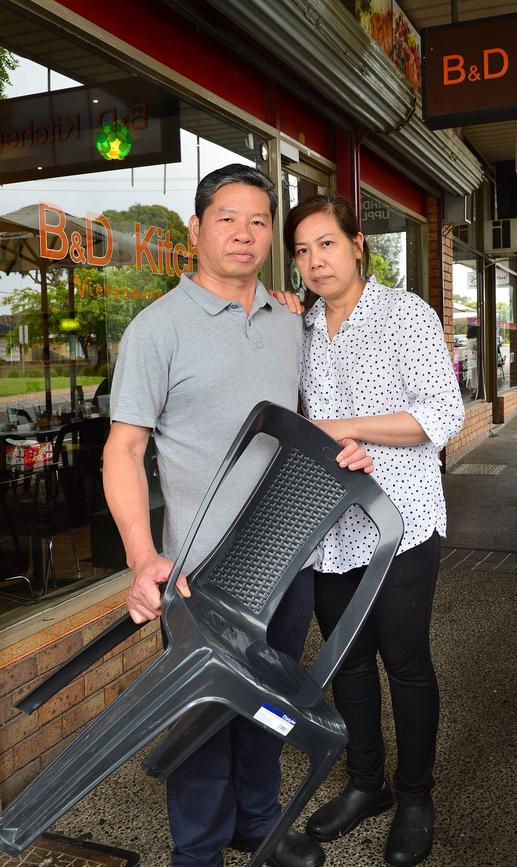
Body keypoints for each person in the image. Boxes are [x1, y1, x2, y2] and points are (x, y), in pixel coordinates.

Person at [102, 165, 373, 867]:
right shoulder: (157, 329)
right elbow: (123, 451)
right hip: (201, 575)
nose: (245, 234)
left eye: (258, 221)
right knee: (200, 718)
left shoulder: (289, 320)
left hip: (289, 561)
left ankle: (258, 826)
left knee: (267, 709)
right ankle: (197, 851)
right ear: (196, 230)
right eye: (227, 218)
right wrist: (141, 557)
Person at [279, 195, 465, 866]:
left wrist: (345, 429)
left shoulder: (405, 313)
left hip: (401, 519)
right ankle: (369, 783)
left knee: (405, 661)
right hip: (330, 526)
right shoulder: (297, 328)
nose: (315, 261)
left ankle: (416, 793)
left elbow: (441, 412)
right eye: (302, 250)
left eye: (326, 243)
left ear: (359, 244)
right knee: (347, 662)